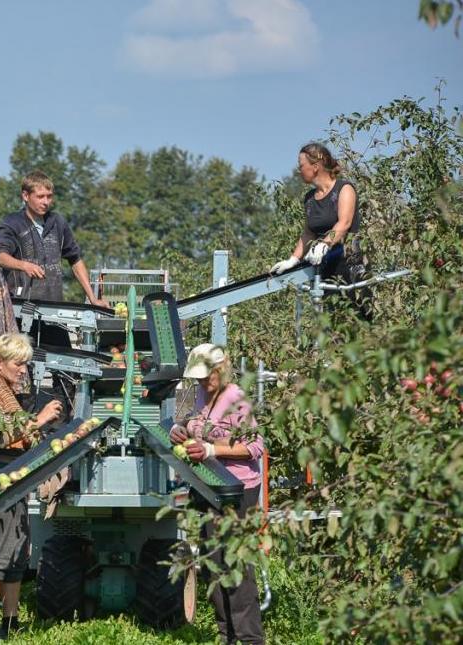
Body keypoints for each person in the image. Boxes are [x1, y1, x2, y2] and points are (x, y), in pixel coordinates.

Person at [169, 343, 265, 645]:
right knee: (214, 564)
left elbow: (255, 447)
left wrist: (213, 449)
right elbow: (196, 425)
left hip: (238, 492)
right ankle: (227, 636)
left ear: (220, 370)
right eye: (197, 378)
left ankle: (250, 639)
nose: (201, 383)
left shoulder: (236, 398)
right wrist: (180, 430)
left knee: (236, 567)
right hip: (210, 488)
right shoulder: (201, 394)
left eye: (206, 377)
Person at [0, 332, 63, 642]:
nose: (24, 369)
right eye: (18, 363)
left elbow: (19, 434)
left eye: (26, 364)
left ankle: (11, 620)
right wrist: (38, 421)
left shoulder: (6, 389)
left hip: (14, 474)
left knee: (17, 553)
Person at [269, 142, 371, 319]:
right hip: (325, 269)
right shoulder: (309, 199)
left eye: (301, 166)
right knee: (331, 325)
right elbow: (308, 233)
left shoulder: (344, 189)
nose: (298, 171)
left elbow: (344, 223)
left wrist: (324, 244)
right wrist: (293, 260)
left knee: (357, 321)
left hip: (349, 265)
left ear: (315, 167)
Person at [0, 171, 109, 308]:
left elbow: (75, 260)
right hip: (19, 307)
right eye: (40, 197)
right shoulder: (12, 222)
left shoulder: (58, 222)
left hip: (55, 307)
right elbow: (0, 257)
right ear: (25, 195)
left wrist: (93, 298)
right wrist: (24, 265)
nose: (46, 202)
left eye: (49, 197)